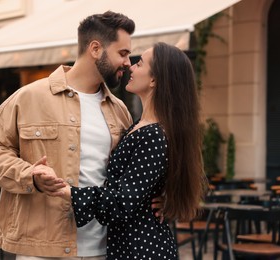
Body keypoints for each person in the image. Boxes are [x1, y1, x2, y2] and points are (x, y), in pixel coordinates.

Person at [0, 11, 135, 259]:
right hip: (41, 247)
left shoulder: (120, 111)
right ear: (96, 48)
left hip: (103, 247)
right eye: (123, 53)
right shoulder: (29, 97)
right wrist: (30, 176)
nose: (128, 62)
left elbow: (129, 175)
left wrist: (156, 197)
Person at [32, 42, 206, 259]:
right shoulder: (139, 126)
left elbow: (121, 203)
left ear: (154, 79)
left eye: (140, 64)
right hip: (131, 245)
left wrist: (68, 191)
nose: (131, 67)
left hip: (141, 249)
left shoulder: (153, 134)